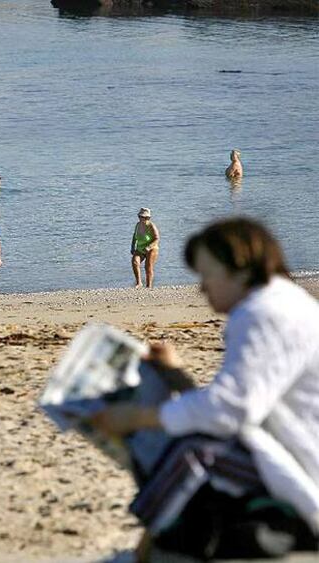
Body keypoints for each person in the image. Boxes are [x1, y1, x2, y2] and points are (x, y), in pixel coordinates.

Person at [93, 217, 319, 562]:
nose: (201, 288)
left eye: (206, 275)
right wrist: (176, 375)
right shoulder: (279, 304)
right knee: (187, 439)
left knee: (192, 452)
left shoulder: (265, 314)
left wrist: (139, 417)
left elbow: (234, 409)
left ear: (239, 269)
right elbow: (241, 402)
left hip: (305, 468)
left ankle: (144, 554)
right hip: (285, 447)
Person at [131, 208, 160, 289]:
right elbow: (134, 237)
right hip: (140, 248)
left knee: (148, 267)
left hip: (152, 248)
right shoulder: (137, 225)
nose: (140, 218)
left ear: (147, 218)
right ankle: (139, 283)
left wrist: (149, 247)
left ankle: (149, 286)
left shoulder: (151, 225)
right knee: (135, 262)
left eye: (142, 217)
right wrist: (132, 247)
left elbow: (157, 238)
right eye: (139, 216)